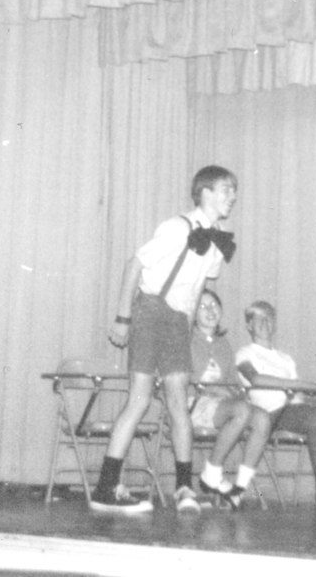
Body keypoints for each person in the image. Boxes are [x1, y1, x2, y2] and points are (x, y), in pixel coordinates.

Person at [90, 165, 239, 514]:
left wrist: (187, 325)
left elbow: (201, 284)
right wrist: (123, 318)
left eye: (233, 191)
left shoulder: (218, 239)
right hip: (150, 311)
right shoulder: (177, 228)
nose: (231, 197)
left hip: (177, 321)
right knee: (140, 400)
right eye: (224, 189)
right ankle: (105, 487)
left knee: (178, 401)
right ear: (203, 193)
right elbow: (134, 265)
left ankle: (184, 487)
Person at [235, 301, 316, 509]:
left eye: (269, 317)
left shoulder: (285, 358)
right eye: (258, 318)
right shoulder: (245, 353)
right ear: (249, 325)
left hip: (294, 411)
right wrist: (300, 385)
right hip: (268, 415)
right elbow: (255, 380)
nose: (265, 322)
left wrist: (314, 397)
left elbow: (297, 398)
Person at [190, 289, 272, 508]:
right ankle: (212, 472)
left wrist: (235, 393)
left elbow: (233, 382)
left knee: (263, 418)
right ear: (193, 312)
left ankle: (239, 487)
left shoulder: (223, 344)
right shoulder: (185, 340)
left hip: (222, 405)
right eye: (203, 306)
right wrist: (214, 390)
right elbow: (183, 381)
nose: (210, 310)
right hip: (194, 403)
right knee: (241, 411)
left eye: (214, 306)